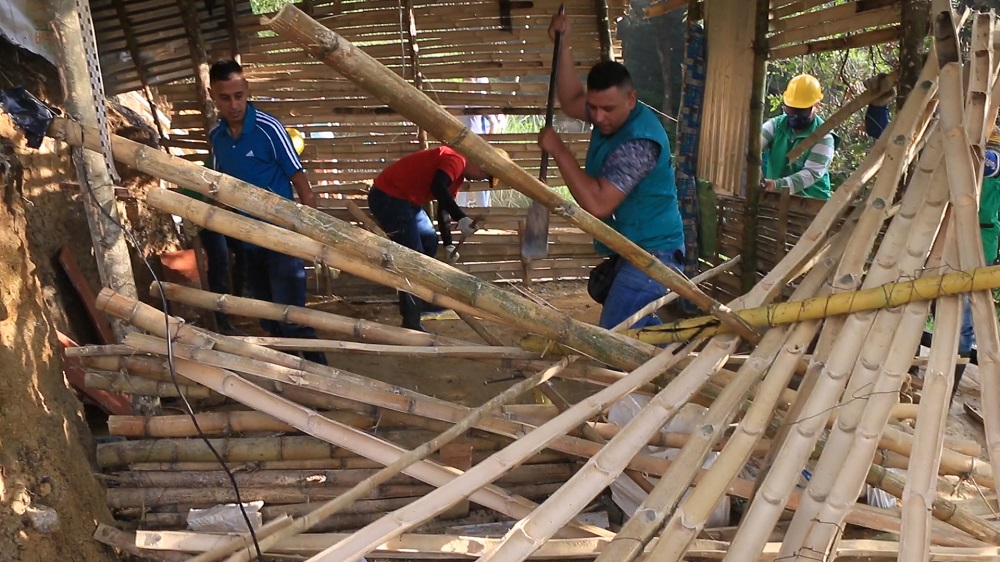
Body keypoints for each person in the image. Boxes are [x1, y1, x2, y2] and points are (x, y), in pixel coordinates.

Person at [537, 11, 685, 330]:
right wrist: (562, 46)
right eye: (595, 107)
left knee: (615, 332)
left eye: (608, 109)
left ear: (631, 99)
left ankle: (682, 355)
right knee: (631, 323)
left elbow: (599, 202)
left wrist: (559, 150)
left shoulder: (639, 142)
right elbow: (571, 100)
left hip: (655, 254)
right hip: (633, 247)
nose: (598, 117)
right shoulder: (610, 116)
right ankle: (671, 343)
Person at [207, 59, 327, 365]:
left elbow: (303, 185)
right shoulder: (217, 137)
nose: (233, 104)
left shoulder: (268, 128)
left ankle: (321, 379)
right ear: (213, 95)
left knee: (293, 316)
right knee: (268, 317)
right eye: (225, 97)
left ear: (247, 90)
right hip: (247, 240)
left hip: (281, 238)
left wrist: (306, 234)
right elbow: (222, 184)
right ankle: (287, 379)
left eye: (238, 95)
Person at [368, 146, 498, 331]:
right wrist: (461, 217)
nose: (480, 180)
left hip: (406, 201)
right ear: (481, 165)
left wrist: (448, 245)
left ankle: (421, 301)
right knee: (412, 258)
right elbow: (437, 188)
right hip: (389, 196)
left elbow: (443, 207)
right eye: (484, 176)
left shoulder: (457, 175)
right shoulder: (456, 160)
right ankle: (411, 321)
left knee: (429, 243)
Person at [761, 74, 839, 200]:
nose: (795, 116)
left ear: (816, 106)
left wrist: (776, 185)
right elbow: (752, 145)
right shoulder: (776, 125)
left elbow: (811, 174)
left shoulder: (824, 138)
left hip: (811, 203)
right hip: (775, 200)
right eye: (791, 110)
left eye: (801, 111)